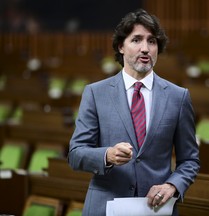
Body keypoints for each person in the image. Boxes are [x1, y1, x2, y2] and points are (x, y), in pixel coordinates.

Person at [68, 8, 200, 216]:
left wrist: (172, 186)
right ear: (121, 46)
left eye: (152, 41)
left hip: (155, 208)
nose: (145, 48)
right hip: (105, 206)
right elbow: (76, 154)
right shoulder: (96, 93)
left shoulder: (178, 96)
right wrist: (107, 155)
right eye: (136, 40)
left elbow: (190, 160)